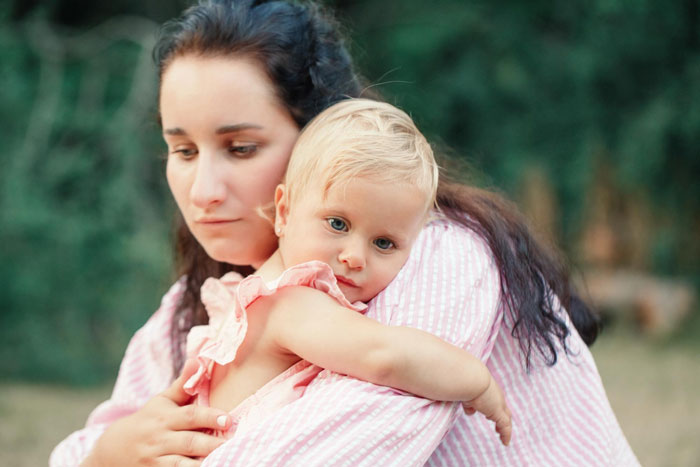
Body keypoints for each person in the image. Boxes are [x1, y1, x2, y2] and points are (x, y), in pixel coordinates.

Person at [51, 0, 639, 466]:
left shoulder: (433, 254)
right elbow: (77, 450)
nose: (202, 189)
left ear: (321, 137)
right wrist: (111, 454)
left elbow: (334, 449)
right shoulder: (202, 301)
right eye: (181, 149)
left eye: (241, 147)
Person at [182, 98, 510, 444]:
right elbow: (383, 356)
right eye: (337, 223)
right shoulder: (289, 302)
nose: (355, 257)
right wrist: (478, 380)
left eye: (383, 243)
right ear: (284, 211)